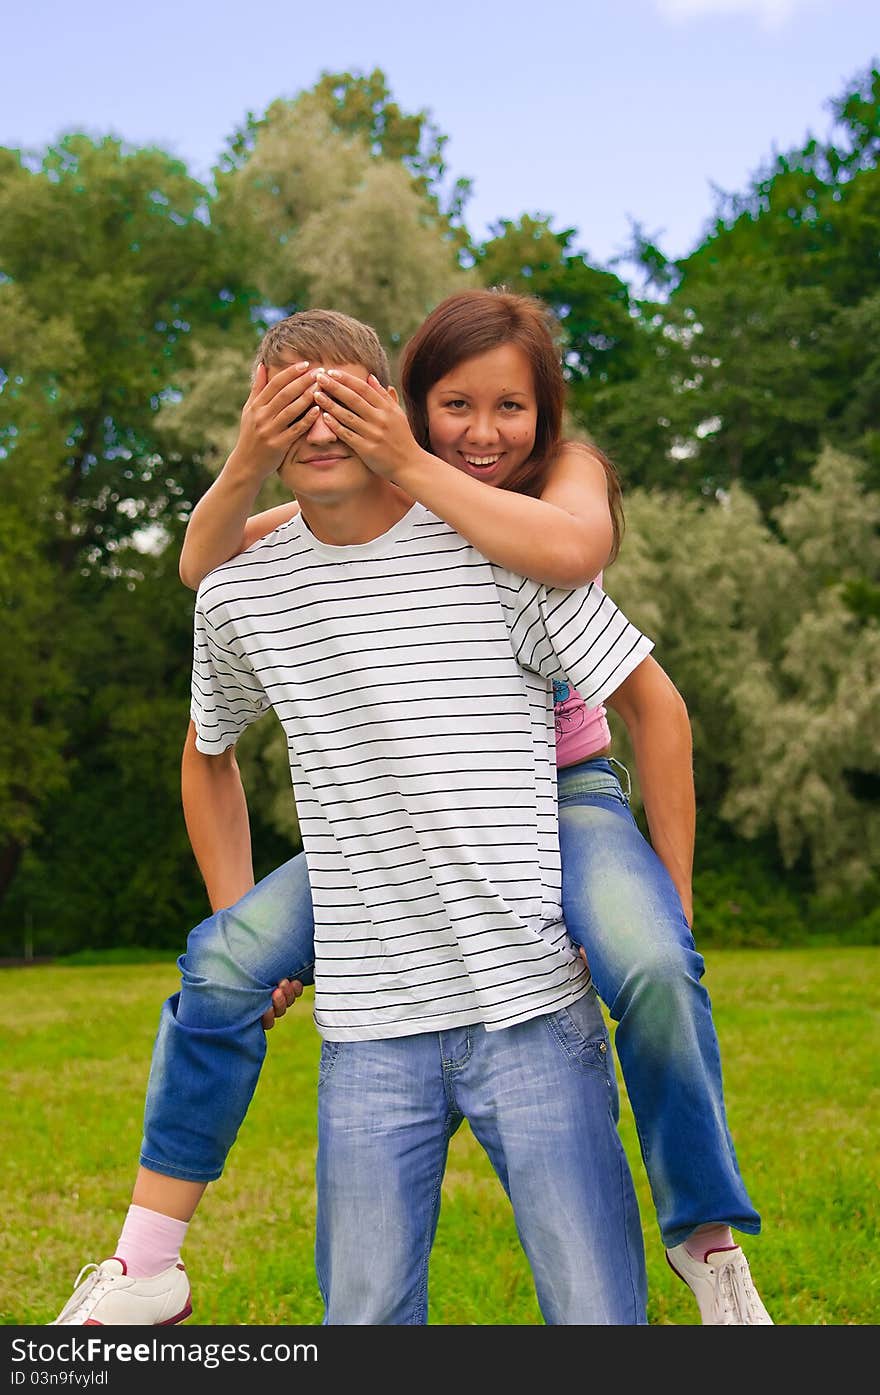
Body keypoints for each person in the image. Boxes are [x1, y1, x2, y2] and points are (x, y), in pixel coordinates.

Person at [48, 295, 769, 1326]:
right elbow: (206, 643)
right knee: (221, 957)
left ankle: (707, 1240)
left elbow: (622, 646)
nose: (483, 431)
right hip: (375, 1001)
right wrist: (241, 914)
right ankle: (147, 1260)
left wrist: (674, 892)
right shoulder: (252, 579)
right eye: (293, 417)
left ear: (388, 410)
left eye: (343, 409)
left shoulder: (529, 522)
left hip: (559, 836)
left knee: (653, 964)